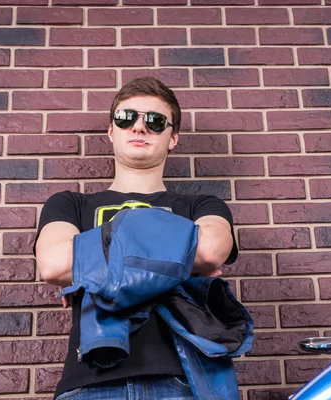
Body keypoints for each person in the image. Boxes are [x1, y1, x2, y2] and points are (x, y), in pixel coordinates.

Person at [34, 77, 238, 400]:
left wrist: (94, 266)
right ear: (111, 130)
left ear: (173, 138)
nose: (140, 128)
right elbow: (54, 262)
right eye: (127, 118)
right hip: (89, 383)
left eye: (155, 121)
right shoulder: (70, 204)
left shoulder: (203, 205)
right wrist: (178, 261)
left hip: (184, 381)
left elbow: (212, 249)